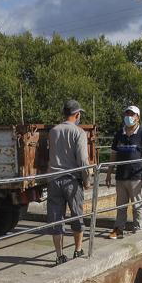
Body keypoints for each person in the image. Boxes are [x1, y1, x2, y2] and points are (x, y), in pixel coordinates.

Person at [47, 99, 91, 265]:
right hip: (72, 180)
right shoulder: (79, 132)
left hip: (53, 179)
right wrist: (86, 181)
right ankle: (78, 250)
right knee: (77, 215)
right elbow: (83, 160)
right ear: (77, 114)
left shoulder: (53, 131)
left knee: (56, 218)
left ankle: (59, 255)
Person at [106, 104, 142, 238]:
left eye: (131, 115)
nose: (128, 117)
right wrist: (109, 173)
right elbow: (113, 155)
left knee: (138, 206)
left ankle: (138, 231)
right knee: (120, 205)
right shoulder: (119, 134)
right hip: (121, 176)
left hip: (136, 177)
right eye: (126, 114)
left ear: (137, 117)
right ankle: (118, 229)